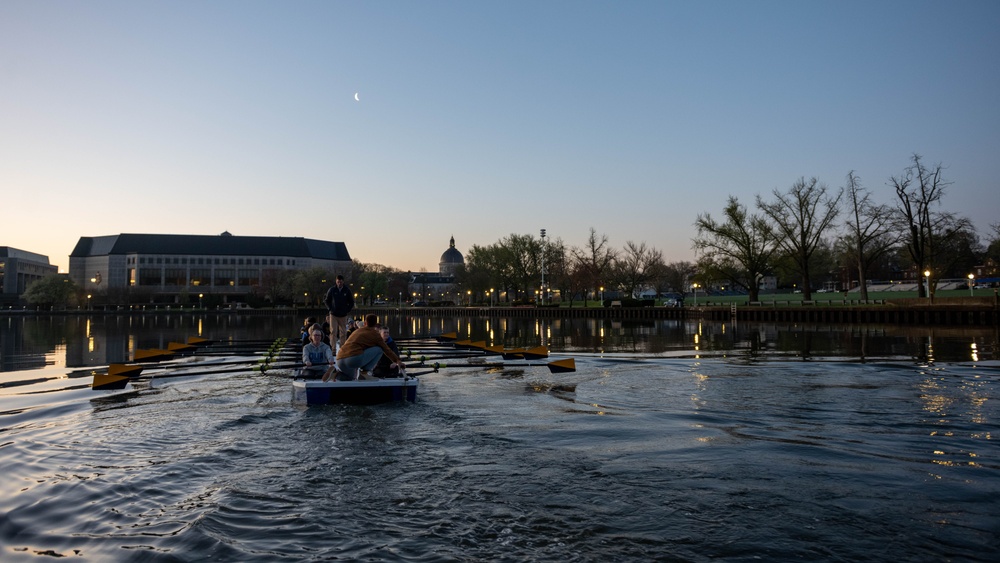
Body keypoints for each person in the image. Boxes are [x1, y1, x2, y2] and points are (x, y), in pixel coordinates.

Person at [325, 314, 405, 382]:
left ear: (365, 323)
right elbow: (387, 350)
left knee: (349, 378)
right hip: (353, 359)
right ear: (375, 324)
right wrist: (398, 361)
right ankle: (364, 373)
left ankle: (335, 374)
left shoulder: (357, 331)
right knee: (379, 349)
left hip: (340, 359)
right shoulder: (375, 334)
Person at [324, 274, 355, 349]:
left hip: (343, 315)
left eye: (340, 282)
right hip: (333, 314)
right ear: (336, 281)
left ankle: (342, 348)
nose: (339, 283)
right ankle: (333, 348)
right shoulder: (332, 290)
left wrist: (347, 310)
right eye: (338, 282)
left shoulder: (347, 290)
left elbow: (351, 302)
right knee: (333, 331)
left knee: (343, 332)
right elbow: (326, 300)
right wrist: (330, 309)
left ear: (343, 282)